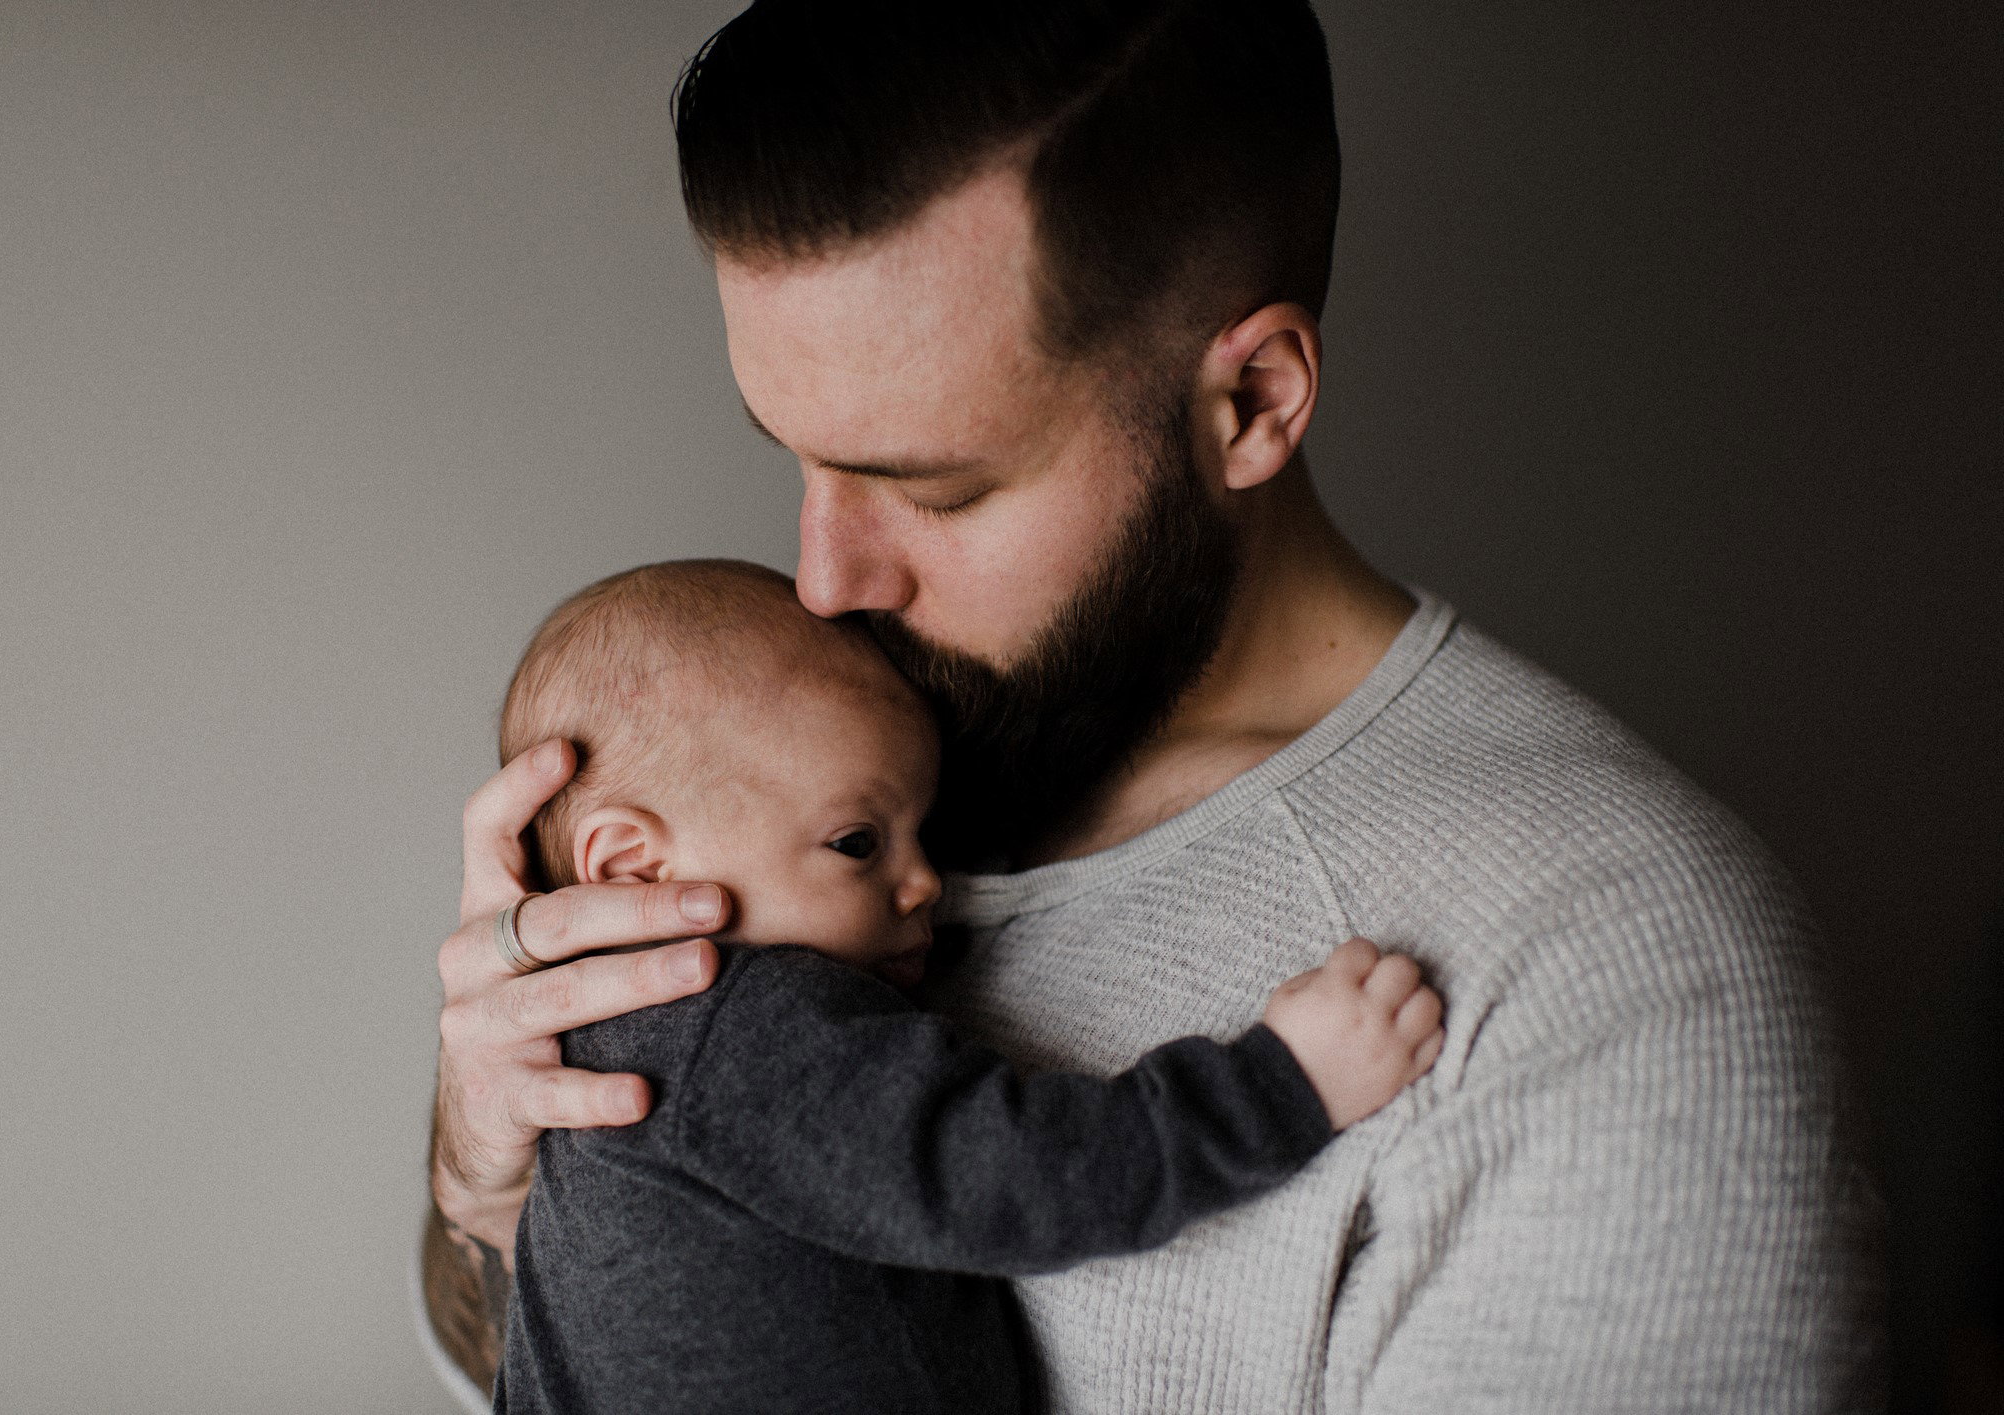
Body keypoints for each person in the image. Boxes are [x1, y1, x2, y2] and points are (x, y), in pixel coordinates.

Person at [421, 2, 1884, 1410]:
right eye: (796, 455)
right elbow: (515, 1354)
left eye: (934, 485)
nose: (821, 580)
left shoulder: (1606, 966)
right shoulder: (786, 793)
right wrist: (483, 1164)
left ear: (1248, 400)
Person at [486, 558, 1442, 1412]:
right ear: (630, 869)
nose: (925, 884)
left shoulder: (609, 1056)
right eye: (857, 842)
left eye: (922, 834)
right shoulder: (730, 1022)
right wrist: (1284, 1084)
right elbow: (1007, 1174)